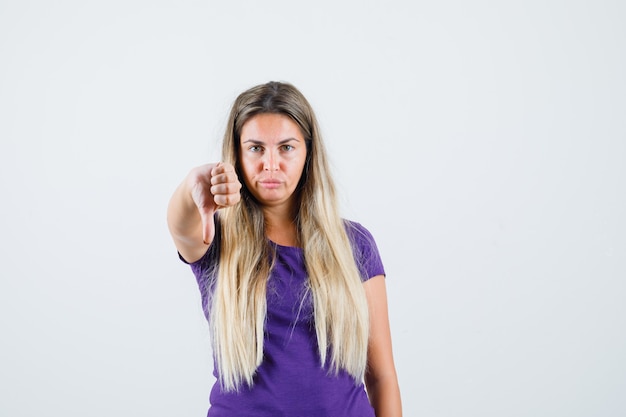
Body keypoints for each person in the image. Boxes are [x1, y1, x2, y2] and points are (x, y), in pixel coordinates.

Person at [167, 81, 402, 417]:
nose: (271, 164)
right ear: (237, 153)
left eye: (287, 148)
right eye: (256, 148)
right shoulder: (218, 238)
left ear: (308, 152)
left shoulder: (353, 244)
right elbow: (180, 225)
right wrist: (192, 186)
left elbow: (381, 376)